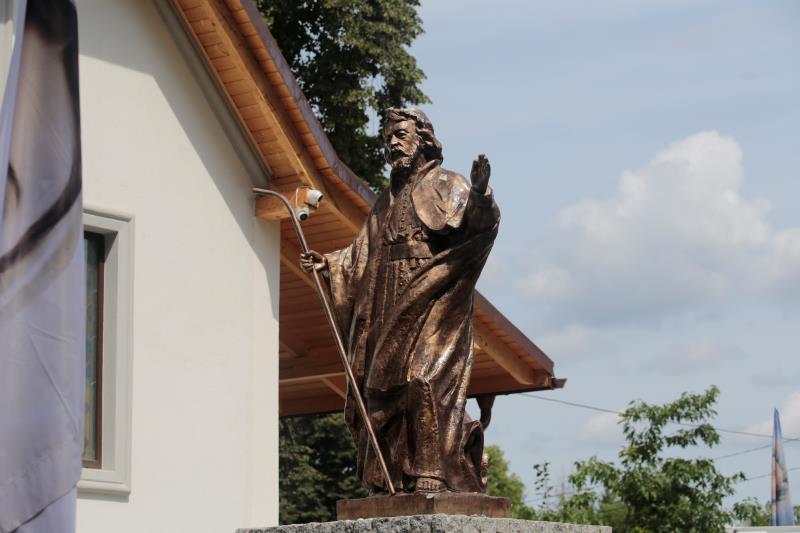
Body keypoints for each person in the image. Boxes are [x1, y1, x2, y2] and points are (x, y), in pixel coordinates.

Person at [301, 108, 499, 493]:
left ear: (422, 139)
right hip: (387, 301)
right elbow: (362, 254)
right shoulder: (386, 200)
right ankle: (389, 477)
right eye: (387, 138)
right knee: (379, 389)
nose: (392, 143)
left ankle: (432, 471)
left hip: (432, 295)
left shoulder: (447, 183)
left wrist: (480, 195)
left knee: (421, 377)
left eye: (400, 135)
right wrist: (329, 264)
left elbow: (480, 225)